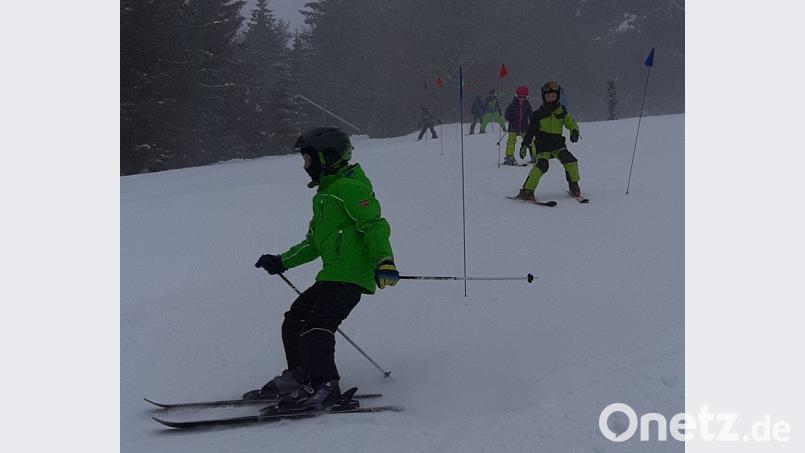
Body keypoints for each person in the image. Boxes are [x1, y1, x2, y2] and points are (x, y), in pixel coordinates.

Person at [245, 126, 399, 410]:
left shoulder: (349, 187)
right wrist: (282, 261)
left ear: (326, 157)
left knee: (317, 326)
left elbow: (374, 226)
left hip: (351, 276)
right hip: (332, 276)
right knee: (294, 320)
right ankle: (300, 375)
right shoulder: (325, 195)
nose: (305, 166)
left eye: (308, 159)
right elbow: (313, 243)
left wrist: (384, 261)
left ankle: (326, 385)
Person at [515, 81, 583, 201]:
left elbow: (570, 122)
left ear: (557, 96)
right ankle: (527, 190)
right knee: (542, 166)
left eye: (553, 96)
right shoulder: (538, 114)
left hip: (558, 145)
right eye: (548, 96)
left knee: (571, 161)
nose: (551, 98)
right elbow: (531, 131)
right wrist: (525, 144)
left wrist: (574, 131)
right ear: (544, 97)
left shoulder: (561, 111)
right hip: (543, 146)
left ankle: (573, 185)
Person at [502, 86, 536, 165]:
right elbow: (507, 115)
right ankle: (509, 157)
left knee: (530, 141)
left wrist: (534, 119)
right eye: (520, 97)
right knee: (511, 141)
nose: (522, 99)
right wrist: (511, 116)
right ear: (516, 96)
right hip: (513, 127)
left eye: (524, 97)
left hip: (524, 128)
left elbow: (530, 114)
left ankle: (534, 155)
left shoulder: (527, 105)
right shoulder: (512, 105)